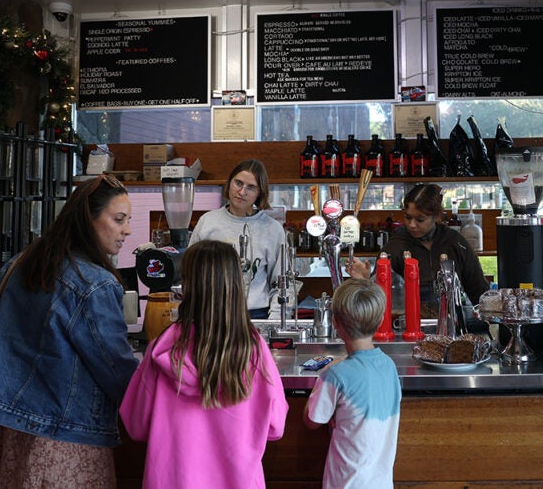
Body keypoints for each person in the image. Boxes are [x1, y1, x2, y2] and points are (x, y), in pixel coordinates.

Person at [0, 173, 139, 487]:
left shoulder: (22, 262)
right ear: (88, 220)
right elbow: (115, 369)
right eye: (119, 219)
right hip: (67, 434)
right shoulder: (94, 284)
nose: (127, 229)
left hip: (13, 431)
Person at [119, 239, 288, 488]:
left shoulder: (163, 349)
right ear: (236, 285)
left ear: (186, 285)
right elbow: (275, 427)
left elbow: (136, 425)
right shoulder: (253, 351)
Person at [303, 278, 401, 489]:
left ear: (336, 323)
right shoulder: (389, 366)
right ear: (380, 319)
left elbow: (312, 420)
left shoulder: (335, 375)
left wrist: (322, 375)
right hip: (381, 483)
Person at [346, 183, 490, 319]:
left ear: (437, 216)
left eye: (420, 219)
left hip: (451, 323)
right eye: (408, 217)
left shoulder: (455, 242)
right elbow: (378, 298)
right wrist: (366, 281)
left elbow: (478, 290)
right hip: (406, 324)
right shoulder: (396, 245)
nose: (411, 225)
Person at [188, 159, 286, 319]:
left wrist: (274, 321)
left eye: (251, 187)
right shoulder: (207, 221)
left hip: (256, 315)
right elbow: (191, 272)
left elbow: (280, 283)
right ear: (229, 183)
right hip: (212, 314)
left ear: (260, 192)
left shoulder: (272, 229)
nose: (242, 192)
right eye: (238, 183)